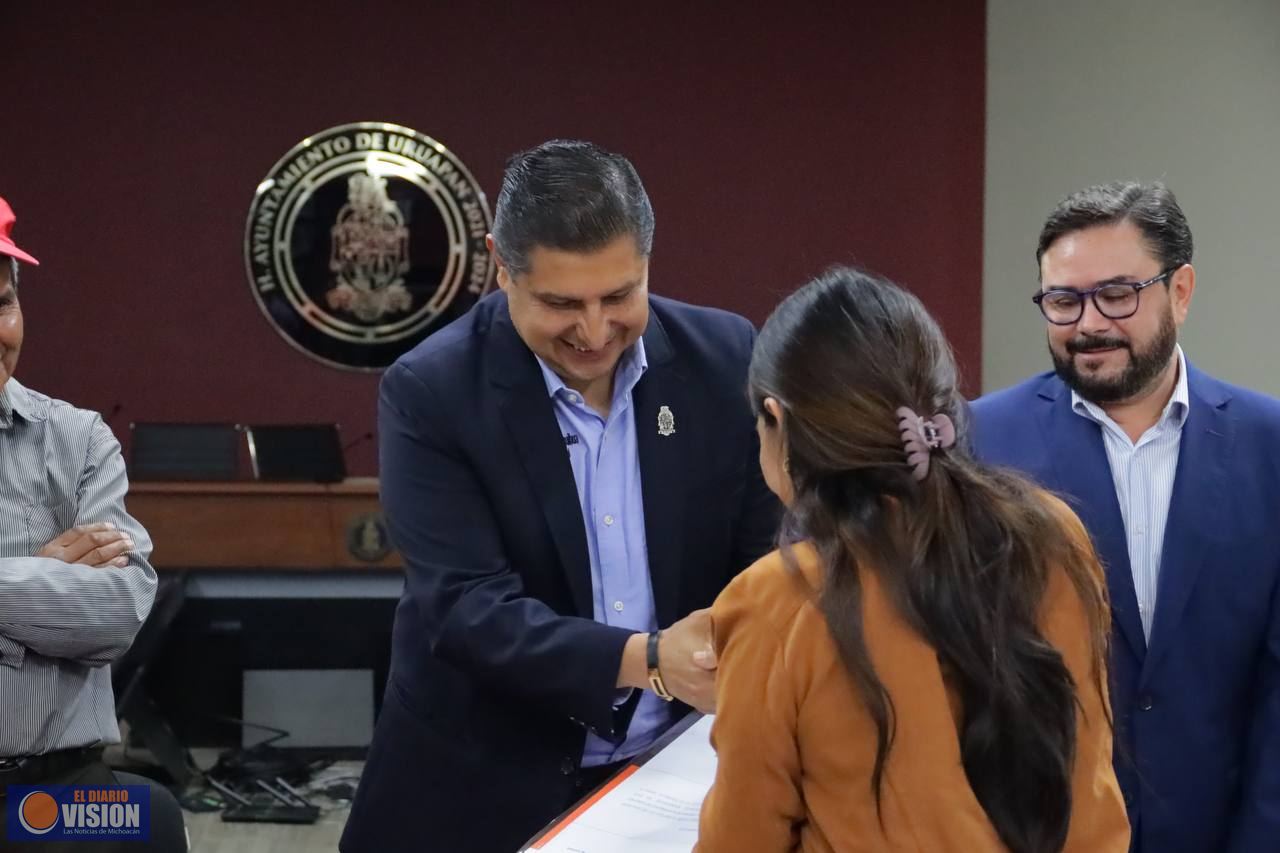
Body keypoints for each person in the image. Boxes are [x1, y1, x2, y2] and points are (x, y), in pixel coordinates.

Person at [340, 140, 780, 853]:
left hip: (674, 776)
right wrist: (655, 658)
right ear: (501, 266)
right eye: (561, 303)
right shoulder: (433, 390)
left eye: (619, 294)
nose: (596, 330)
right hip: (478, 786)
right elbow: (466, 608)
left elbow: (767, 557)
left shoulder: (724, 356)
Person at [697, 266, 1129, 852]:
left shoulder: (778, 600)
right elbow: (1092, 805)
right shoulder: (1052, 536)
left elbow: (742, 840)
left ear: (776, 419)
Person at [971, 181, 1280, 853]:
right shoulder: (979, 445)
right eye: (1063, 300)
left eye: (1117, 294)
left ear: (1182, 290)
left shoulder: (1270, 445)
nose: (1088, 324)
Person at [0, 196, 186, 851]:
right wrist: (42, 579)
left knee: (147, 819)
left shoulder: (77, 440)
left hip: (65, 794)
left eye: (1, 302)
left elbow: (117, 613)